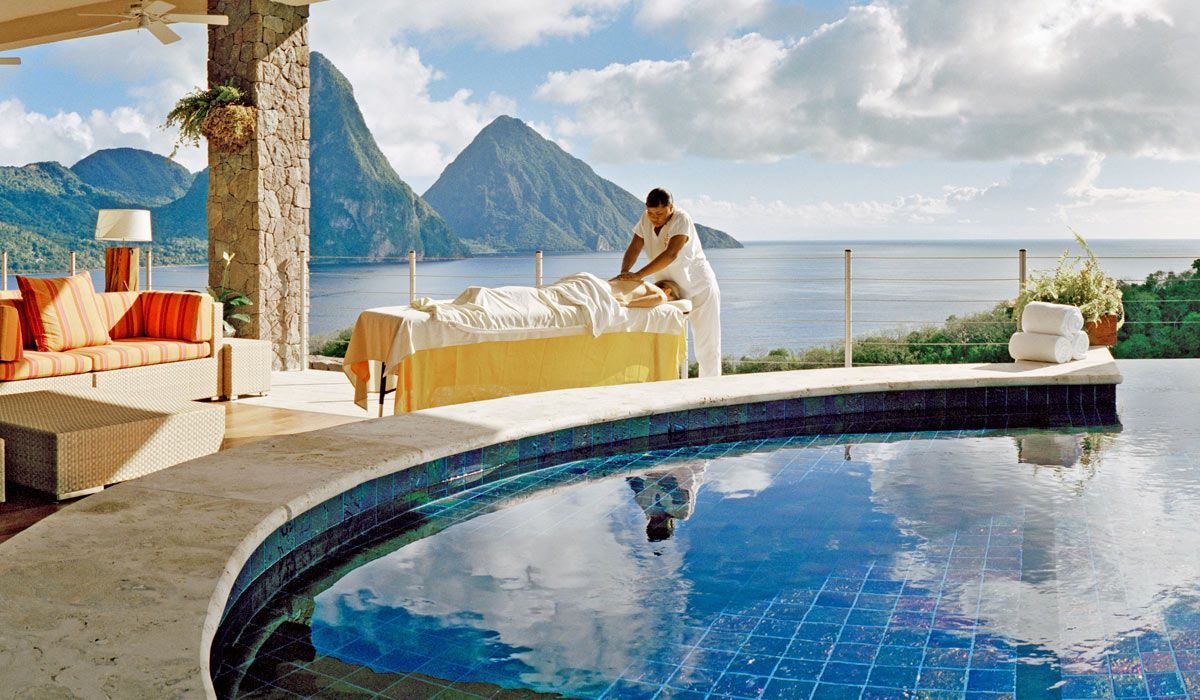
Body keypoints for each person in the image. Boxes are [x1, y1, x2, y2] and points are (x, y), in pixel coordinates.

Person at [616, 188, 722, 377]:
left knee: (707, 346)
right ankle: (666, 382)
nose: (654, 218)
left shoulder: (682, 219)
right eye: (650, 213)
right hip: (670, 289)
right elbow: (634, 247)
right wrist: (624, 272)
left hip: (699, 286)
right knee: (665, 338)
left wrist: (638, 275)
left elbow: (671, 253)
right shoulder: (646, 219)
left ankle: (712, 389)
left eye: (659, 213)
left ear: (670, 208)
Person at [607, 277, 681, 308]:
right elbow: (660, 298)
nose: (666, 302)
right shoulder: (660, 293)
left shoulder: (642, 283)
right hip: (608, 294)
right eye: (669, 301)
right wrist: (626, 304)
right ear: (667, 291)